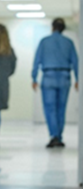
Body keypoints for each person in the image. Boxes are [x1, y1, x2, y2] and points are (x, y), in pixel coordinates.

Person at [32, 17, 79, 148]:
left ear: (52, 27)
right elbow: (76, 62)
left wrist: (34, 78)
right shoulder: (69, 43)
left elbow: (37, 60)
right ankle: (59, 136)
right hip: (64, 77)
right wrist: (78, 79)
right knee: (61, 108)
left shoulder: (44, 41)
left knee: (50, 108)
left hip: (48, 77)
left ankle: (54, 136)